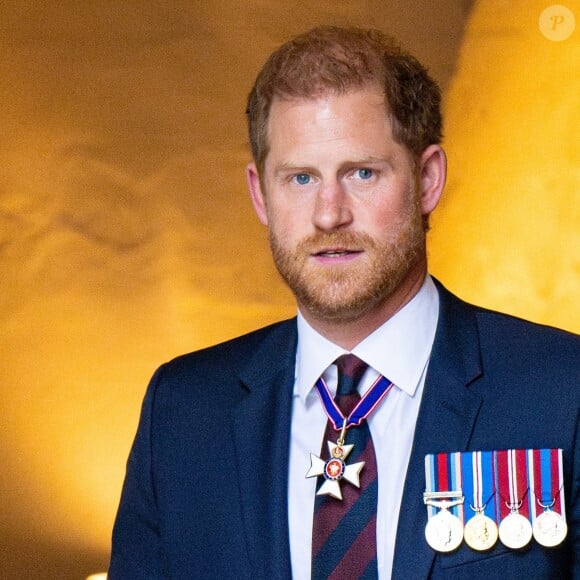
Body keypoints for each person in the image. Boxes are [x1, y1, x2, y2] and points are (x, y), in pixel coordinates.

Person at [109, 26, 579, 579]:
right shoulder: (182, 415)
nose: (329, 213)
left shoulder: (562, 390)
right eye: (301, 178)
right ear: (261, 194)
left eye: (362, 173)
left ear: (427, 180)